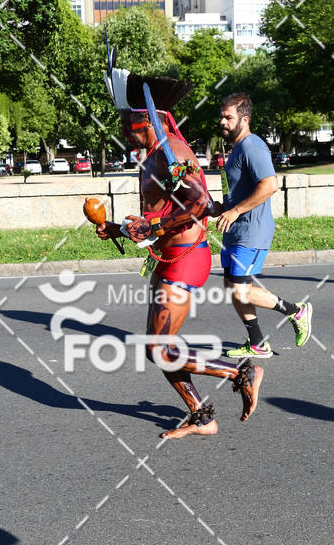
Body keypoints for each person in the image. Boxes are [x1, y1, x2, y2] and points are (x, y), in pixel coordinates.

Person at [96, 65, 263, 439]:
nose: (124, 132)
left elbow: (200, 202)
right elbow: (162, 211)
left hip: (186, 260)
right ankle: (202, 416)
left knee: (159, 349)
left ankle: (240, 372)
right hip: (168, 258)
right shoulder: (156, 152)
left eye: (128, 124)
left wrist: (154, 227)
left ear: (146, 121)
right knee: (159, 347)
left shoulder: (171, 151)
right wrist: (118, 228)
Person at [215, 93, 312, 358]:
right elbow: (236, 193)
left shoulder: (251, 146)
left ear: (244, 119)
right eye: (222, 115)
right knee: (232, 286)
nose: (222, 120)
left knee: (239, 288)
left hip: (251, 231)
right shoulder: (236, 149)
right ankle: (257, 343)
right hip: (235, 231)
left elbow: (270, 185)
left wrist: (235, 211)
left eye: (228, 117)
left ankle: (296, 311)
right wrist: (218, 208)